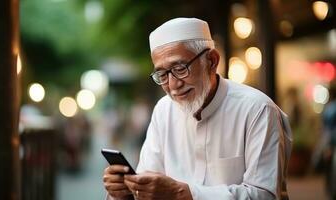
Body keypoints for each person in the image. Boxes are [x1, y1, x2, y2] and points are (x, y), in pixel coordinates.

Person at [103, 17, 292, 200]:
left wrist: (182, 194)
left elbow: (264, 195)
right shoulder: (164, 110)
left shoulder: (257, 110)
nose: (173, 84)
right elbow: (148, 183)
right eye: (162, 74)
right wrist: (126, 192)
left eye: (180, 68)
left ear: (211, 61)